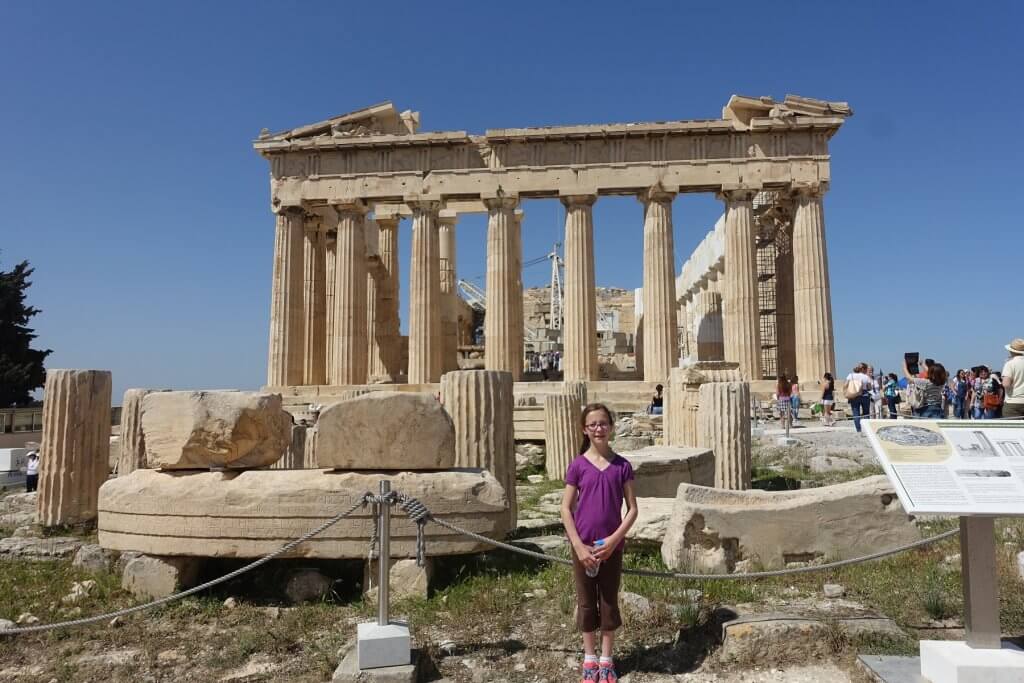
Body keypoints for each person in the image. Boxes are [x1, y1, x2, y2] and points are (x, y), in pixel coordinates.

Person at [561, 403, 638, 683]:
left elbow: (632, 509)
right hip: (583, 547)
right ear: (585, 429)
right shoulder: (578, 465)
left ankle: (607, 658)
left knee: (608, 602)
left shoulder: (622, 466)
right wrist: (579, 547)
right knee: (585, 603)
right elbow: (565, 509)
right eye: (592, 424)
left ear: (611, 427)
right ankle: (589, 658)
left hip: (611, 547)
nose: (598, 428)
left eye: (603, 423)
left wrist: (615, 540)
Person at [845, 363, 874, 433]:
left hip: (854, 395)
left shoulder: (850, 375)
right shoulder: (865, 377)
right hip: (864, 395)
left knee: (856, 413)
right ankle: (867, 430)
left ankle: (859, 430)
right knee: (866, 413)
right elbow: (869, 388)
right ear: (863, 369)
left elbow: (845, 385)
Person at [1003, 339, 1024, 419]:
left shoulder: (1010, 364)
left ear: (1011, 351)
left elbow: (1006, 384)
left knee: (1012, 430)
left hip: (1013, 402)